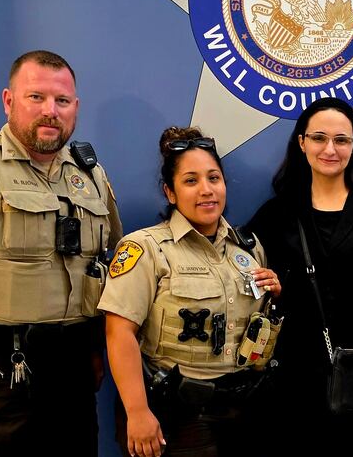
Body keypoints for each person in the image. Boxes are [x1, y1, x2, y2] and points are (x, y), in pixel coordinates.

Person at [0, 50, 123, 457]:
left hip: (75, 371)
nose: (50, 111)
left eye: (62, 101)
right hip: (0, 371)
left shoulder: (91, 175)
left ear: (75, 108)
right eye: (36, 97)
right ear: (8, 100)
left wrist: (93, 350)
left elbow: (105, 265)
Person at [98, 126, 282, 457]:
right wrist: (137, 413)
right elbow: (119, 332)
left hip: (245, 410)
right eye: (191, 181)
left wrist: (274, 295)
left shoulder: (249, 249)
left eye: (214, 178)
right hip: (177, 414)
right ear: (170, 192)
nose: (206, 190)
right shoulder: (146, 249)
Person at [245, 97, 353, 456]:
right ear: (301, 143)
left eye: (342, 140)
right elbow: (240, 270)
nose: (330, 149)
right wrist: (272, 283)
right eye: (319, 138)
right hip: (295, 378)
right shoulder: (278, 212)